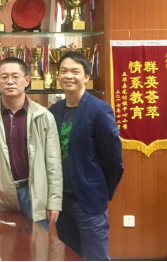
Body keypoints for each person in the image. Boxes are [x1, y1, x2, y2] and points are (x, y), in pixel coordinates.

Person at [50, 51, 124, 261]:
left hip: (89, 200)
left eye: (75, 71)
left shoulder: (99, 110)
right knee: (70, 255)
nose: (68, 76)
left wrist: (101, 190)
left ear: (87, 76)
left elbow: (114, 160)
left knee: (95, 256)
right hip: (62, 201)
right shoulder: (54, 110)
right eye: (63, 71)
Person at [0, 57, 63, 230]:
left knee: (37, 245)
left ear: (27, 80)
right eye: (4, 77)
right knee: (2, 244)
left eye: (15, 76)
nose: (10, 81)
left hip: (35, 194)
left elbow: (53, 163)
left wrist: (54, 201)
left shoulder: (44, 116)